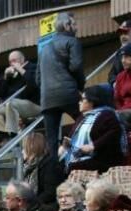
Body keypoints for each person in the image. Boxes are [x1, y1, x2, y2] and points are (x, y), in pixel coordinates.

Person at [37, 12, 84, 156]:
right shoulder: (72, 41)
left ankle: (54, 172)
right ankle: (82, 154)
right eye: (74, 24)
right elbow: (76, 66)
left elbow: (38, 78)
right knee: (86, 121)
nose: (76, 27)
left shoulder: (44, 49)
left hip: (47, 99)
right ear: (66, 25)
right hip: (68, 93)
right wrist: (80, 87)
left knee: (51, 141)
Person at [60, 85, 127, 174]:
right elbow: (72, 137)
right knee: (53, 164)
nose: (79, 102)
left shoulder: (107, 115)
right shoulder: (82, 118)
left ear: (93, 101)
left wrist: (94, 146)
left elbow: (114, 132)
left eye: (82, 99)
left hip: (102, 158)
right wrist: (66, 146)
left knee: (73, 166)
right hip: (81, 156)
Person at [0, 50, 40, 143]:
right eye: (10, 62)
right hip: (12, 106)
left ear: (22, 59)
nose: (12, 64)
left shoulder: (32, 67)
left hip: (33, 104)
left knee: (11, 102)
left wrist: (21, 70)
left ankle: (12, 134)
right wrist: (5, 77)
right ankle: (2, 134)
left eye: (14, 60)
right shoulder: (11, 75)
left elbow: (34, 84)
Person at [21, 131, 60, 211]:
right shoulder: (29, 167)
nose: (22, 151)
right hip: (35, 207)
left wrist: (31, 203)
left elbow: (50, 192)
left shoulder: (50, 164)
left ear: (32, 147)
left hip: (47, 209)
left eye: (24, 148)